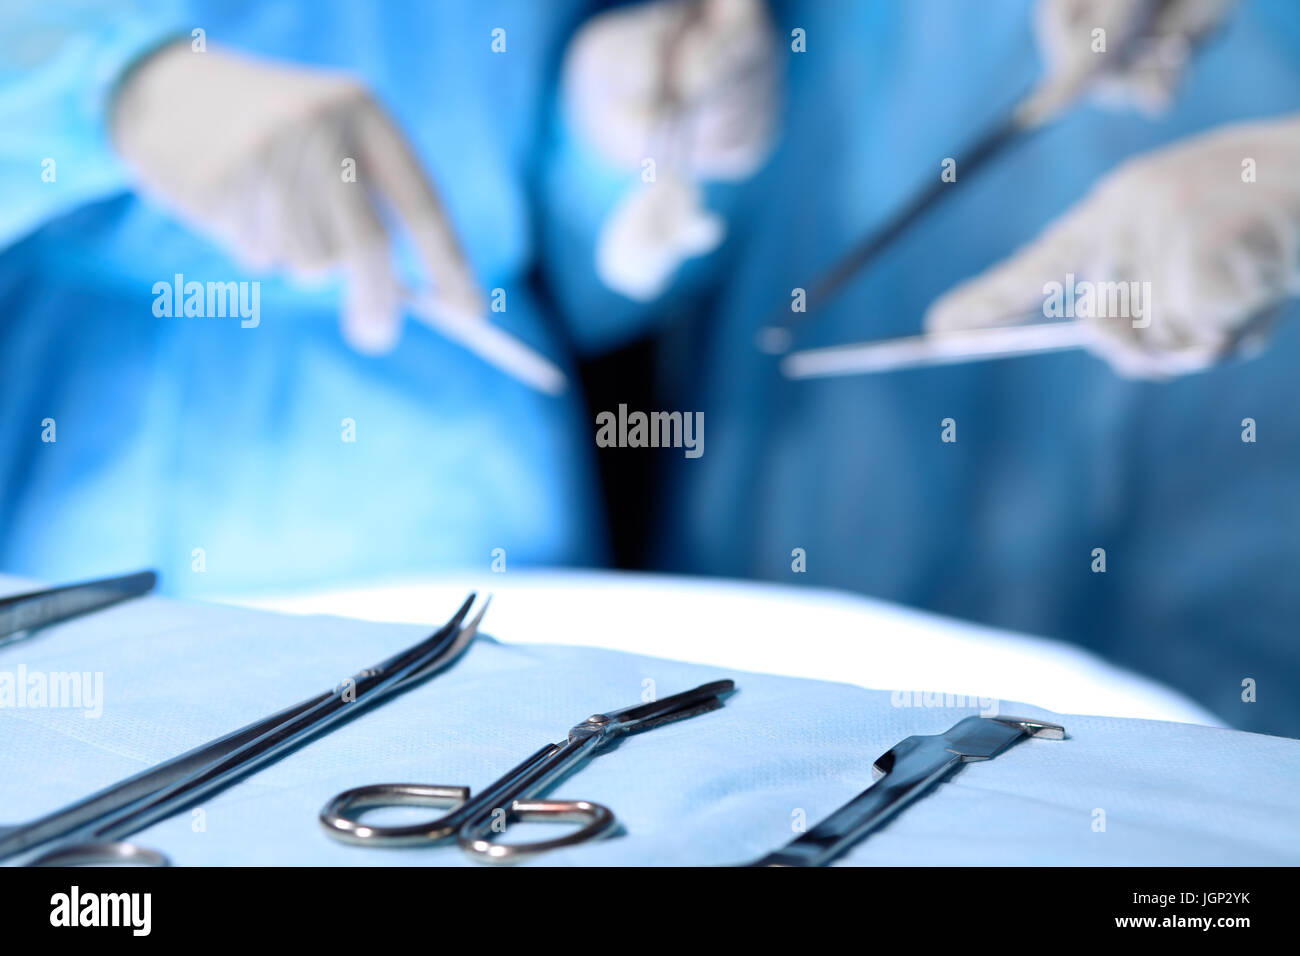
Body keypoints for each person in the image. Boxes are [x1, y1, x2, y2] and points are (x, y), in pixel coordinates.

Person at [538, 0, 1300, 736]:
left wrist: (1287, 175)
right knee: (787, 760)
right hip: (818, 528)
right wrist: (639, 150)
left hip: (1226, 536)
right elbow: (594, 277)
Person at [0, 1, 609, 595]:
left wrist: (610, 140)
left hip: (456, 467)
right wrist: (118, 84)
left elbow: (593, 272)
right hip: (77, 420)